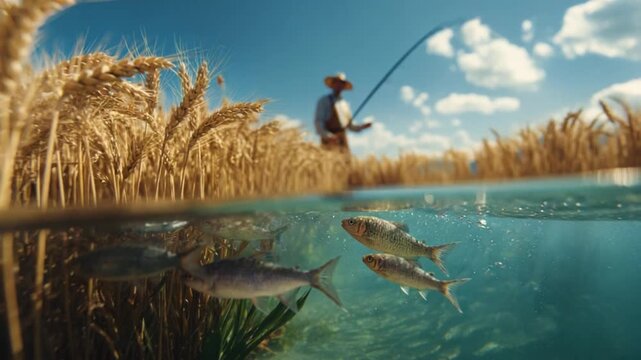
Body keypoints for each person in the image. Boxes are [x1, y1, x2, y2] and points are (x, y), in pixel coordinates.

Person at [314, 73, 371, 152]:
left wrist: (362, 127)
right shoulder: (324, 100)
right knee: (328, 163)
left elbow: (350, 125)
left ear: (344, 87)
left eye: (341, 84)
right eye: (336, 83)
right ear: (332, 85)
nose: (339, 85)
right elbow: (318, 121)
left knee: (346, 163)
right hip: (328, 139)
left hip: (342, 139)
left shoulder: (345, 104)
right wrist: (328, 136)